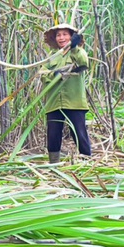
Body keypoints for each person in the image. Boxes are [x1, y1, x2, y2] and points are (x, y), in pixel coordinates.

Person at [39, 23, 91, 164]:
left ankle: (87, 163)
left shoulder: (78, 51)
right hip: (54, 102)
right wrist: (54, 74)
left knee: (79, 133)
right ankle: (54, 164)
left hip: (74, 101)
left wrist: (73, 47)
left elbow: (84, 63)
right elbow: (42, 73)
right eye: (58, 35)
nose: (61, 37)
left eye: (65, 34)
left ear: (71, 37)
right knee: (53, 134)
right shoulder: (52, 56)